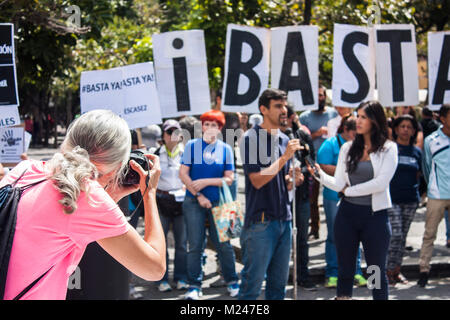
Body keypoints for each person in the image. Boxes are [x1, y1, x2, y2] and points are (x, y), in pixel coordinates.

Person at [1, 110, 166, 300]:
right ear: (120, 164)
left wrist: (110, 196)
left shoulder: (26, 169)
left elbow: (65, 221)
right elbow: (155, 269)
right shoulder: (89, 198)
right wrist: (149, 193)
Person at [309, 101, 397, 300]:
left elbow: (381, 184)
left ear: (375, 121)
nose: (358, 121)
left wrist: (349, 191)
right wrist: (319, 175)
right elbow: (339, 182)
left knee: (375, 270)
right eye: (358, 116)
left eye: (364, 117)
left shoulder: (388, 149)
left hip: (375, 217)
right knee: (346, 268)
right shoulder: (348, 148)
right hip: (347, 215)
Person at [238, 89, 303, 300]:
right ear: (263, 109)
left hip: (284, 219)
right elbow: (256, 180)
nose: (283, 110)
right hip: (261, 222)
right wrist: (285, 159)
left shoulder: (285, 139)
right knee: (251, 288)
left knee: (278, 289)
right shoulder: (251, 138)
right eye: (278, 106)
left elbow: (280, 180)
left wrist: (293, 179)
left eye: (284, 105)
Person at [179, 109, 239, 300]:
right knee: (195, 245)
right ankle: (194, 286)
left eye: (215, 125)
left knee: (225, 244)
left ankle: (232, 281)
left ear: (220, 128)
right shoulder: (191, 145)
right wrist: (199, 195)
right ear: (202, 126)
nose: (211, 128)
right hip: (193, 201)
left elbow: (229, 179)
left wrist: (207, 182)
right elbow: (183, 174)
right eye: (207, 124)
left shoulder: (226, 149)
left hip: (220, 202)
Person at [317, 114, 367, 289]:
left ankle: (356, 272)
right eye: (355, 132)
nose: (357, 135)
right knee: (334, 236)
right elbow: (322, 166)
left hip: (355, 197)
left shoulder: (360, 145)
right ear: (345, 129)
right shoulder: (330, 144)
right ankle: (332, 273)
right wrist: (347, 172)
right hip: (333, 197)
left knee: (356, 236)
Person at [282, 104, 317, 291]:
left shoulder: (302, 136)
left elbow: (311, 162)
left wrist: (300, 172)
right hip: (279, 196)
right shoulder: (270, 137)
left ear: (293, 117)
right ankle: (280, 276)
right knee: (281, 238)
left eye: (286, 116)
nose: (283, 119)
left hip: (300, 195)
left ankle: (303, 274)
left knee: (301, 237)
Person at [152, 119, 188, 292]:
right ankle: (162, 279)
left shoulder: (187, 153)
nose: (172, 135)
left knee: (181, 243)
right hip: (161, 201)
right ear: (164, 135)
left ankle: (181, 278)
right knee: (162, 242)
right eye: (169, 132)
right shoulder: (155, 153)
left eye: (176, 131)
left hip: (181, 202)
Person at [386, 115, 422, 286]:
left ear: (414, 131)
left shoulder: (417, 152)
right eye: (402, 126)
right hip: (391, 199)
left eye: (409, 127)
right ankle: (385, 272)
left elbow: (420, 174)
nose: (406, 130)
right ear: (396, 129)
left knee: (402, 238)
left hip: (410, 200)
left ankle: (396, 271)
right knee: (395, 234)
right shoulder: (390, 149)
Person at [417, 104, 450, 288]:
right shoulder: (431, 140)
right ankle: (424, 270)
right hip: (437, 195)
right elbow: (426, 167)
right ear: (442, 119)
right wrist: (432, 187)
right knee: (430, 234)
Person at [299, 85, 338, 239]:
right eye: (316, 96)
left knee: (333, 196)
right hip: (312, 163)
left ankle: (334, 229)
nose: (319, 98)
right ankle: (314, 228)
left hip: (332, 163)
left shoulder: (333, 114)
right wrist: (316, 134)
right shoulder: (305, 117)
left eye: (321, 95)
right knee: (312, 198)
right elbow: (301, 139)